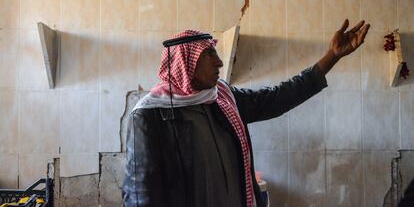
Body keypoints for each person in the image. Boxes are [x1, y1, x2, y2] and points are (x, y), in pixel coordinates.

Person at [122, 19, 370, 207]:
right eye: (209, 54)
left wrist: (332, 57)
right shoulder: (152, 115)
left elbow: (276, 98)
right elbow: (141, 194)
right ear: (186, 62)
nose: (219, 62)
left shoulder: (222, 97)